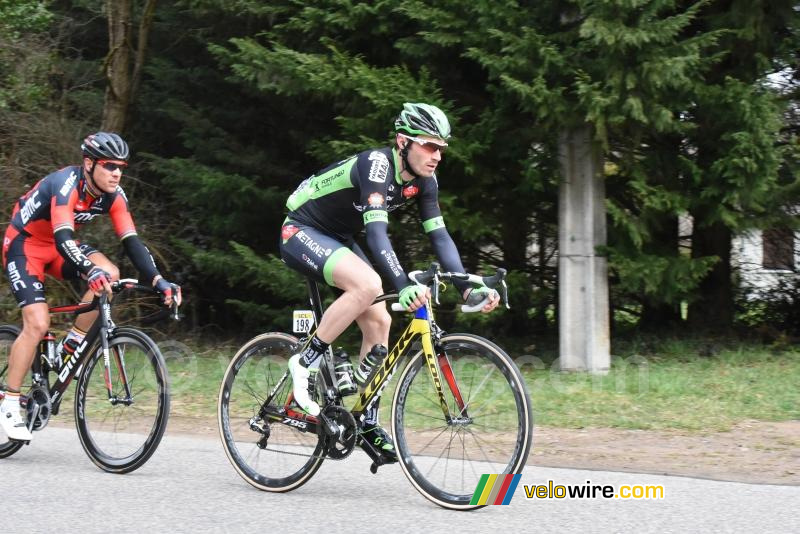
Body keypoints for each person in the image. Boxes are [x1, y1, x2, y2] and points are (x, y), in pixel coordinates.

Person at [279, 103, 499, 462]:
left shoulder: (426, 182)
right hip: (301, 229)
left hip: (338, 237)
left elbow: (440, 237)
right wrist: (402, 282)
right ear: (403, 142)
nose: (437, 155)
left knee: (381, 320)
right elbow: (378, 235)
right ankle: (306, 360)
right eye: (429, 145)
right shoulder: (376, 166)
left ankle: (365, 419)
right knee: (368, 285)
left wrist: (466, 286)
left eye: (441, 148)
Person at [0, 132, 181, 442]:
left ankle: (73, 341)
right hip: (24, 246)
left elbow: (132, 241)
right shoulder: (66, 184)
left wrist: (158, 280)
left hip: (59, 247)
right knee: (38, 322)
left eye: (121, 167)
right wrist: (87, 269)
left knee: (110, 272)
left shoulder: (114, 194)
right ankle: (10, 402)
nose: (116, 173)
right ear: (89, 163)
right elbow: (63, 236)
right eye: (109, 166)